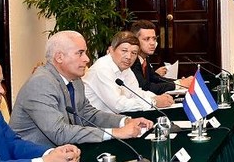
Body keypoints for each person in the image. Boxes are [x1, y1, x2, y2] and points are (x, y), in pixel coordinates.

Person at [10, 31, 153, 147]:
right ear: (59, 57)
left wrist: (124, 121)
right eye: (80, 53)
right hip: (35, 159)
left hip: (68, 150)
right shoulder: (41, 83)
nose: (87, 59)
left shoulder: (75, 80)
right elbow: (59, 133)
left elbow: (88, 114)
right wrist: (116, 132)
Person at [83, 31, 175, 114]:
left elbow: (136, 93)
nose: (129, 57)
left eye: (134, 53)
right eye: (124, 51)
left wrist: (158, 98)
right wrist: (153, 102)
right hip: (97, 124)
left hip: (118, 119)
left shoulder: (125, 68)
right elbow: (118, 105)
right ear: (111, 50)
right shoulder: (101, 69)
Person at [130, 20, 193, 94]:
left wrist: (180, 82)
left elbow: (155, 78)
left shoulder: (145, 58)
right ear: (135, 41)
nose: (152, 43)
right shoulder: (132, 61)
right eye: (147, 39)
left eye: (154, 39)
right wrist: (178, 84)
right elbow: (145, 87)